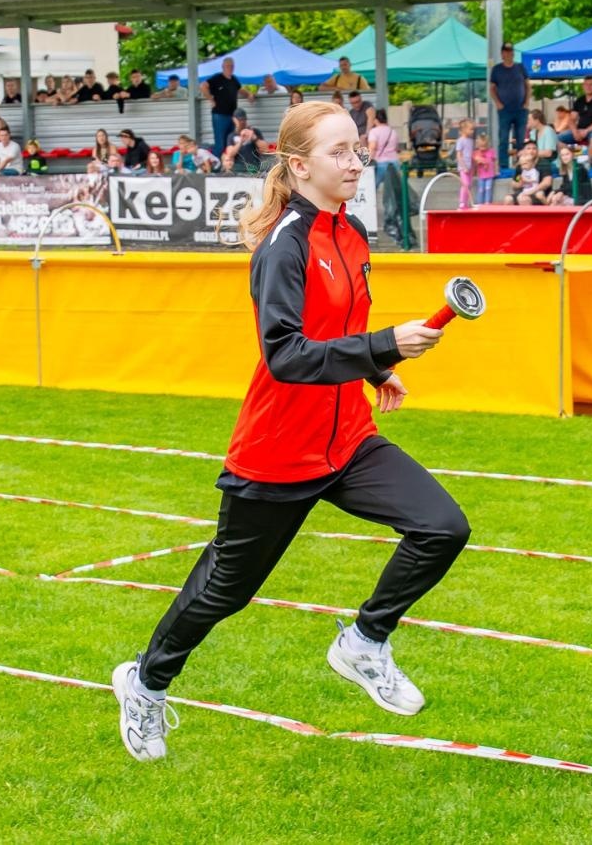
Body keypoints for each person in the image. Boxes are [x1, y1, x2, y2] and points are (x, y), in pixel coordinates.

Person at [112, 101, 466, 762]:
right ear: (299, 165)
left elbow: (337, 334)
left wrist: (377, 368)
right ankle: (147, 679)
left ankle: (364, 641)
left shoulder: (352, 232)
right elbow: (286, 354)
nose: (354, 161)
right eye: (338, 151)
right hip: (277, 452)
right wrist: (384, 343)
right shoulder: (283, 244)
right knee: (226, 589)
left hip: (348, 439)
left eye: (356, 148)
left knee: (443, 526)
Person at [487, 42, 529, 155]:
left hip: (520, 109)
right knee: (503, 138)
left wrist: (527, 102)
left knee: (521, 139)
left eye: (510, 51)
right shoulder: (497, 69)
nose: (508, 54)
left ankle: (522, 162)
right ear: (502, 54)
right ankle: (503, 165)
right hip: (505, 110)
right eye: (506, 51)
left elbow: (527, 85)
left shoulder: (520, 67)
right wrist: (498, 103)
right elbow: (492, 88)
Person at [202, 58, 242, 156]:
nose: (230, 68)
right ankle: (217, 166)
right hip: (220, 115)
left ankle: (227, 165)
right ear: (223, 67)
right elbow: (203, 86)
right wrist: (210, 99)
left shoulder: (234, 79)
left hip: (232, 116)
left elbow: (240, 89)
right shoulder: (217, 78)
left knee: (230, 142)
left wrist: (249, 94)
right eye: (228, 66)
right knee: (220, 143)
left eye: (232, 66)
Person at [454, 118, 476, 209]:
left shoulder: (471, 141)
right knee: (465, 184)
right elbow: (459, 155)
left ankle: (467, 202)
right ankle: (462, 202)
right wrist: (463, 166)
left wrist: (473, 167)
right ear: (464, 129)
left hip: (470, 166)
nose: (472, 131)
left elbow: (472, 154)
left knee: (469, 184)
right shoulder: (461, 140)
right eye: (471, 129)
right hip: (463, 167)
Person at [473, 132, 498, 205]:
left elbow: (495, 161)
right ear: (477, 145)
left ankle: (487, 202)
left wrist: (496, 170)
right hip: (481, 174)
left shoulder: (491, 151)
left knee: (488, 188)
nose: (483, 148)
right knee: (481, 189)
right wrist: (479, 161)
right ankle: (480, 202)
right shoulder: (476, 153)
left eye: (484, 146)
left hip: (489, 174)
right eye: (481, 146)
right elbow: (475, 162)